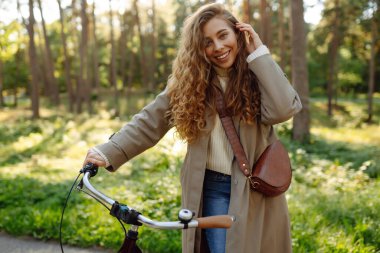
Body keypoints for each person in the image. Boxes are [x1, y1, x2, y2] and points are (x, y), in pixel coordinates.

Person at [83, 3, 302, 253]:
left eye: (223, 35)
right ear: (198, 48)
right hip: (212, 187)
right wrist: (109, 150)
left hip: (255, 188)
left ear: (238, 34)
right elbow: (150, 120)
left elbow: (284, 108)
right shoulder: (190, 83)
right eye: (207, 42)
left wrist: (259, 53)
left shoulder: (258, 74)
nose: (218, 47)